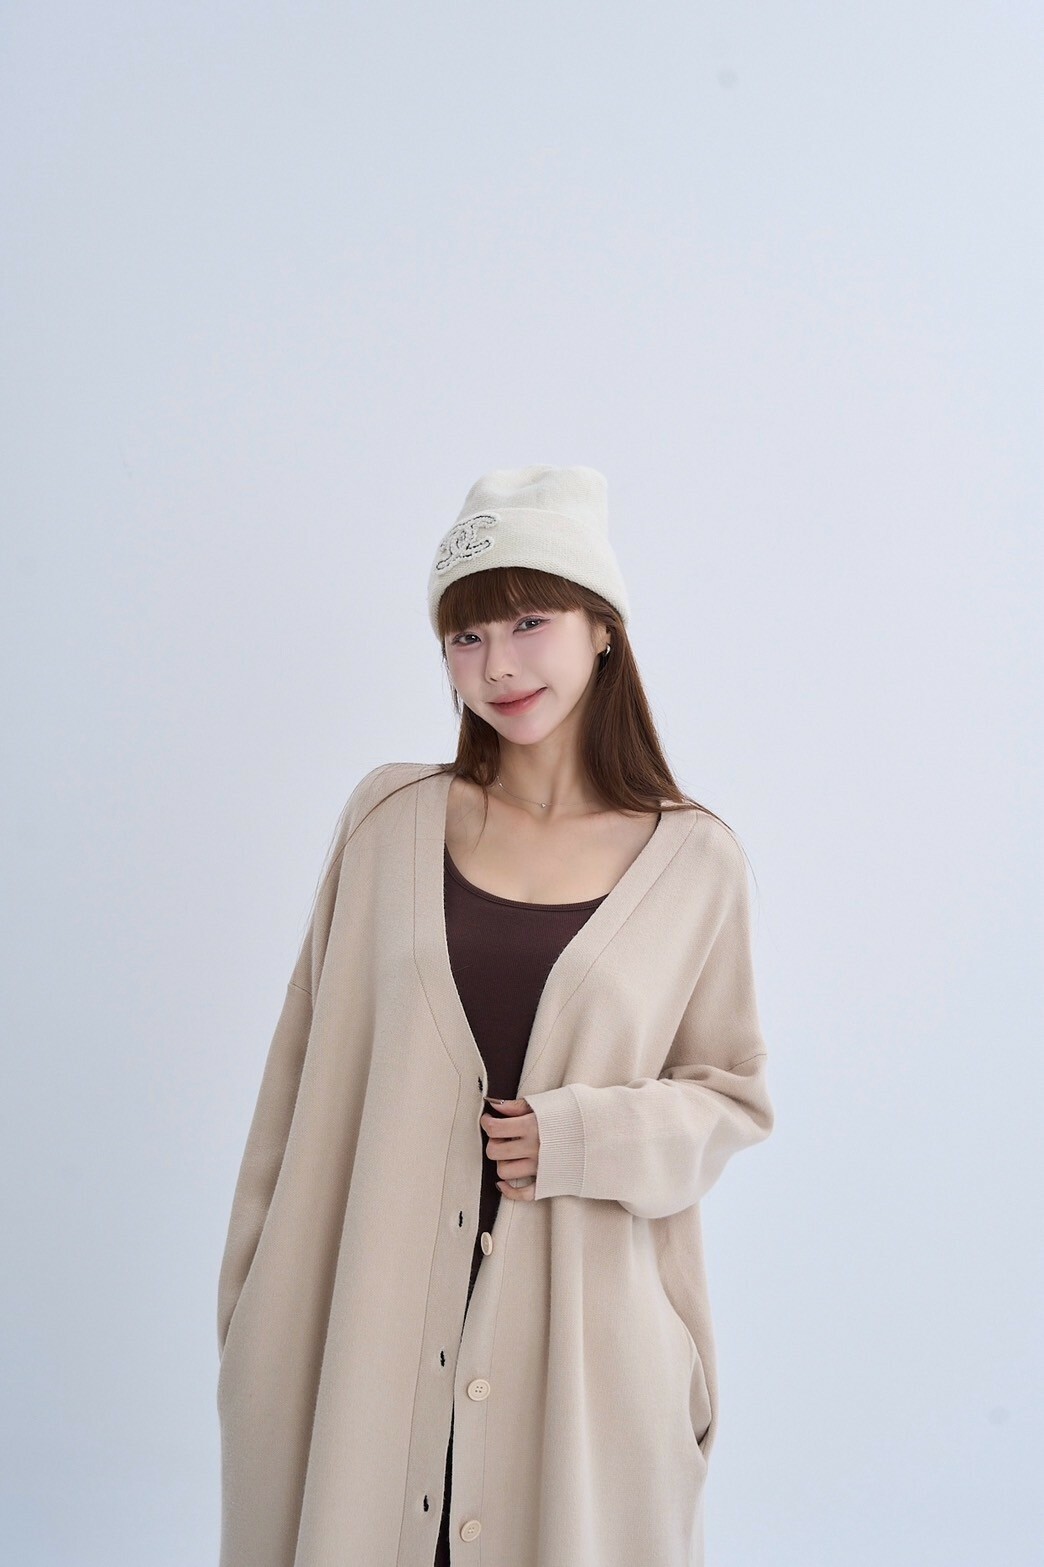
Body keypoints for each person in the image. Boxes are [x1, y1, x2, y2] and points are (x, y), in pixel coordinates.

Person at [215, 464, 774, 1567]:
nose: (499, 665)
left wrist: (584, 1136)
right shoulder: (389, 820)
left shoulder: (695, 860)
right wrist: (252, 1312)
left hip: (584, 1370)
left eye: (529, 621)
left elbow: (734, 1097)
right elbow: (296, 1071)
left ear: (602, 629)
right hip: (360, 1344)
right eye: (465, 636)